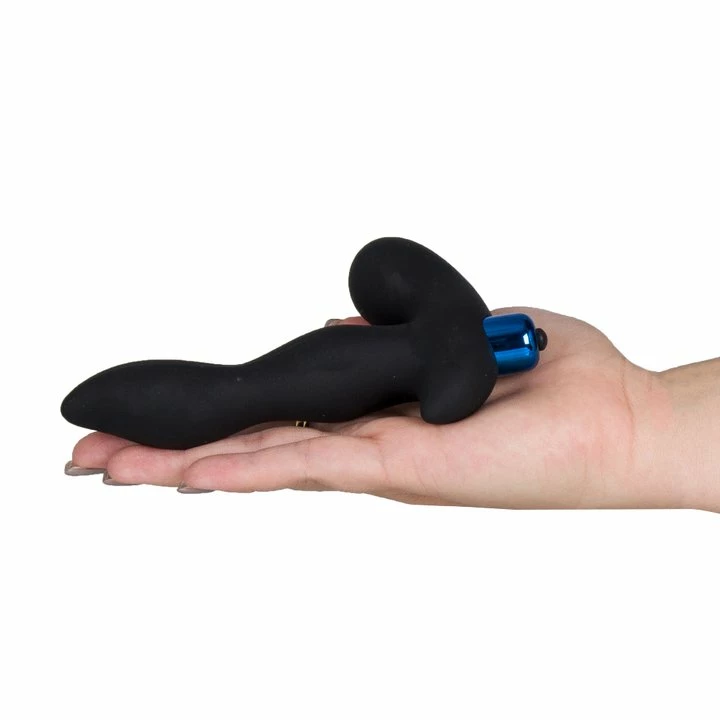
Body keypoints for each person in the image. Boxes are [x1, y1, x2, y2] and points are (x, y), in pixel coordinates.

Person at [65, 307, 720, 512]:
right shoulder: (455, 345)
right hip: (277, 381)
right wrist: (642, 423)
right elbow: (382, 266)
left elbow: (445, 405)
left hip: (276, 380)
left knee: (232, 393)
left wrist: (638, 429)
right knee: (232, 393)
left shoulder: (456, 353)